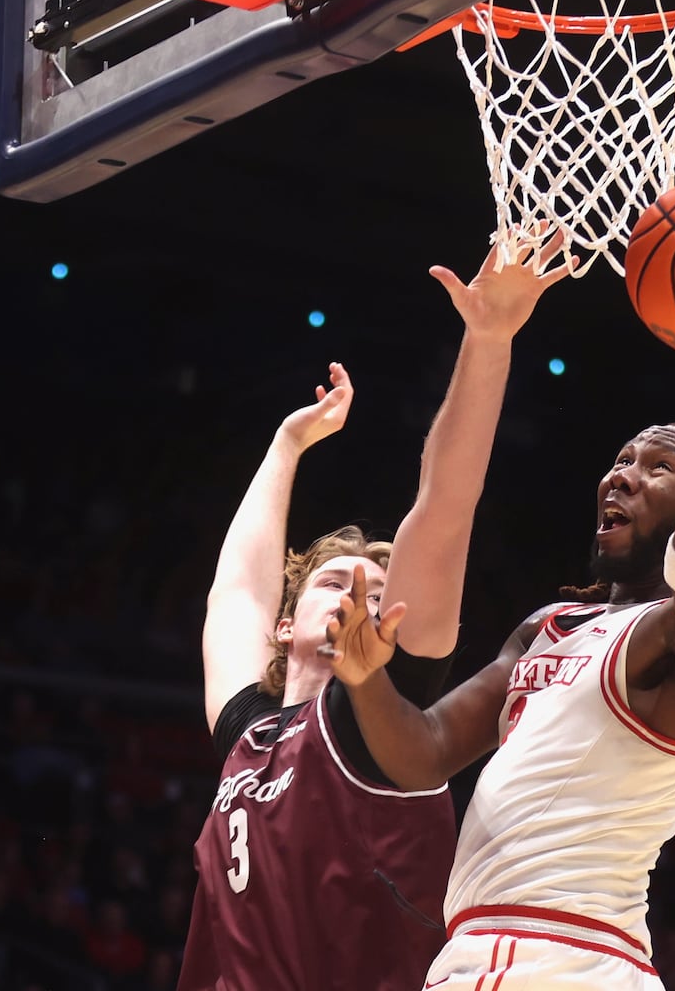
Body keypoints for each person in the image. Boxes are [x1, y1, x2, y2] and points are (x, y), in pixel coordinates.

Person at [323, 231, 675, 989]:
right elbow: (420, 752)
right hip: (492, 953)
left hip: (560, 955)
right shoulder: (549, 627)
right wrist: (365, 679)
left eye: (660, 466)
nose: (623, 476)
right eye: (620, 460)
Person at [175, 230, 577, 991]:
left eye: (374, 585)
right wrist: (286, 448)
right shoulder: (249, 732)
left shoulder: (382, 724)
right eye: (335, 581)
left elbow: (445, 506)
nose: (360, 592)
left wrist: (487, 342)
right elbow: (234, 595)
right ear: (285, 626)